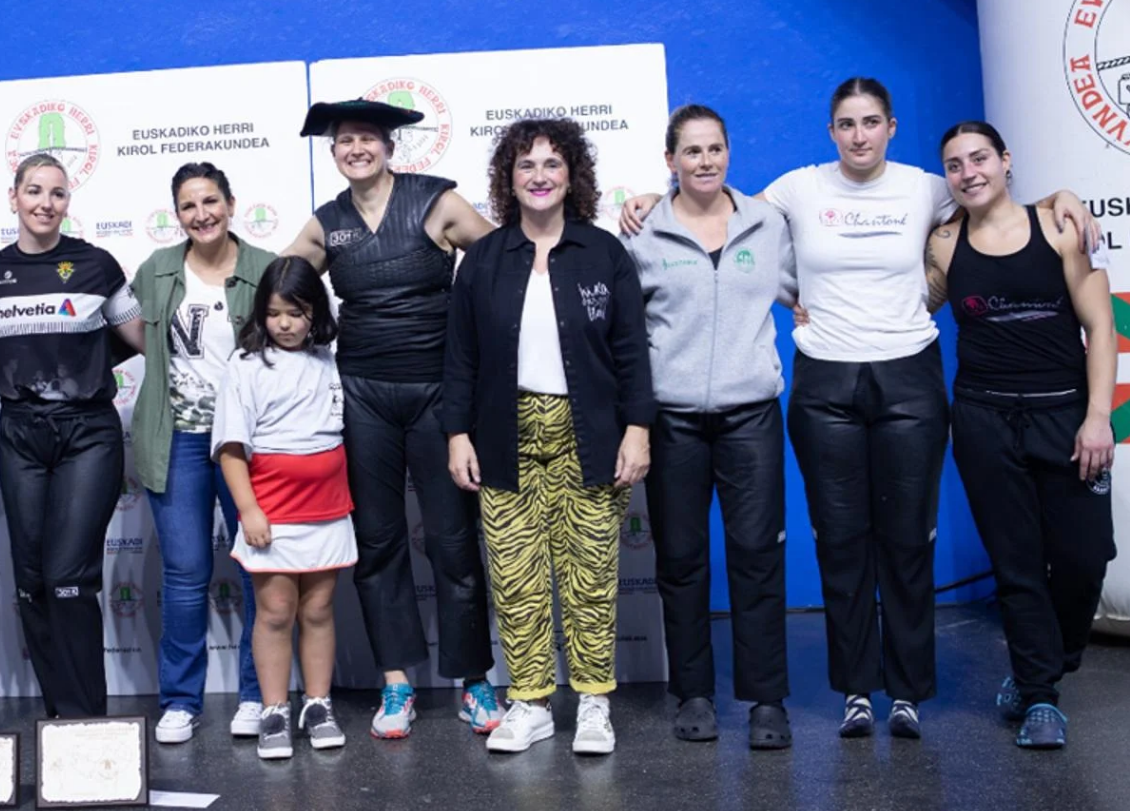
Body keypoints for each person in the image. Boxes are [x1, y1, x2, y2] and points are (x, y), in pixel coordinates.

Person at [620, 77, 1101, 739]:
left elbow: (998, 202)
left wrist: (1061, 196)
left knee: (908, 542)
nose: (859, 135)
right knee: (840, 543)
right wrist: (653, 199)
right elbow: (716, 214)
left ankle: (906, 691)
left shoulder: (925, 186)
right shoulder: (797, 188)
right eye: (846, 124)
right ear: (831, 132)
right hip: (825, 384)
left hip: (909, 377)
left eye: (871, 121)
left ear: (891, 127)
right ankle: (855, 690)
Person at [284, 99, 501, 738]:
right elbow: (280, 284)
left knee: (452, 541)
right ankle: (396, 684)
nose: (356, 149)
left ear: (388, 147)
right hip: (364, 398)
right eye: (345, 141)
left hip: (438, 393)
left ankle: (474, 682)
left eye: (367, 140)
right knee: (377, 545)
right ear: (333, 154)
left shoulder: (439, 202)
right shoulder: (327, 223)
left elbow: (504, 266)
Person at [442, 118, 654, 757]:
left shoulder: (603, 253)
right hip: (503, 435)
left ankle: (593, 702)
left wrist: (637, 430)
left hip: (589, 433)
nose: (539, 176)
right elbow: (461, 359)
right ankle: (529, 702)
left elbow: (631, 352)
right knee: (515, 577)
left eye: (552, 165)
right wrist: (457, 434)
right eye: (526, 166)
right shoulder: (482, 259)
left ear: (572, 177)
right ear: (509, 179)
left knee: (591, 575)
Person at [924, 121, 1116, 750]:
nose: (969, 172)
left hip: (1065, 417)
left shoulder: (1059, 226)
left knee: (1085, 560)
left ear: (1006, 161)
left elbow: (1101, 326)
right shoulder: (946, 244)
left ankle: (1048, 665)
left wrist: (1097, 418)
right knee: (1017, 565)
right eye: (955, 165)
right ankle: (1039, 695)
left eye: (980, 158)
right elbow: (900, 303)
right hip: (983, 420)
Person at [624, 106, 795, 749]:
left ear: (729, 152)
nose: (705, 161)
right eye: (691, 151)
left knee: (757, 557)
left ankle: (766, 700)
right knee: (682, 560)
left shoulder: (768, 223)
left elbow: (811, 286)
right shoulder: (642, 234)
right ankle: (693, 692)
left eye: (715, 148)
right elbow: (625, 337)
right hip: (673, 422)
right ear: (669, 160)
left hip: (751, 413)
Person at [0, 153, 145, 719]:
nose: (46, 203)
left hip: (88, 432)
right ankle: (62, 717)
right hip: (20, 433)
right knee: (31, 583)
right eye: (35, 191)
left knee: (69, 579)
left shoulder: (97, 265)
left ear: (69, 202)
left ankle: (89, 718)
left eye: (58, 194)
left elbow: (144, 337)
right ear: (14, 197)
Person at [130, 162, 274, 743]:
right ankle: (181, 701)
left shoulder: (265, 269)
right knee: (185, 574)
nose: (201, 215)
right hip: (179, 440)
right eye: (188, 206)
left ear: (231, 203)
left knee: (257, 571)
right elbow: (136, 336)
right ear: (177, 214)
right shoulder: (157, 270)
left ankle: (255, 695)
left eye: (210, 201)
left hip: (250, 443)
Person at [213, 257, 357, 760]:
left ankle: (317, 705)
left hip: (328, 507)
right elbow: (232, 448)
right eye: (275, 314)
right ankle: (274, 709)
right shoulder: (245, 366)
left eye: (297, 313)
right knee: (275, 611)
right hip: (271, 510)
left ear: (315, 312)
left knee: (318, 609)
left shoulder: (329, 358)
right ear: (261, 313)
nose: (286, 324)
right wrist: (249, 511)